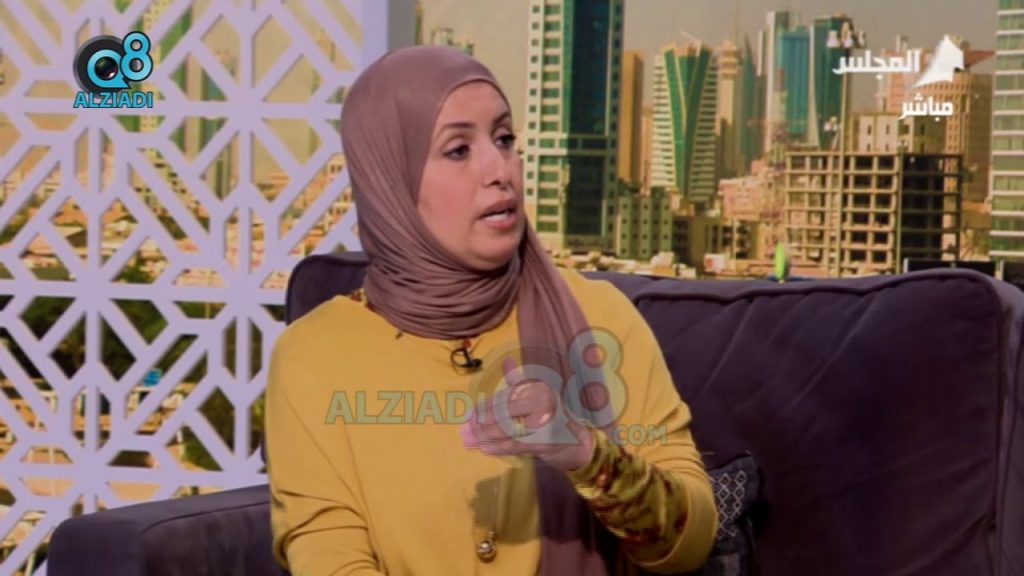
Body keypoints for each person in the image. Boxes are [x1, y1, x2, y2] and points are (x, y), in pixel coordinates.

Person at [265, 45, 718, 575]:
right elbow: (329, 556)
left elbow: (691, 543)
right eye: (459, 150)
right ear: (391, 183)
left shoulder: (599, 318)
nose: (500, 169)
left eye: (504, 140)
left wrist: (587, 456)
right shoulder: (314, 356)